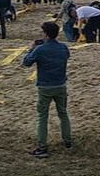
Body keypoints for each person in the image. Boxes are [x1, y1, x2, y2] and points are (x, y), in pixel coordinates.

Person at [23, 22, 72, 158]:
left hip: (45, 86)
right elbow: (66, 57)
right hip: (61, 84)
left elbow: (26, 63)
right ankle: (67, 140)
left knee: (42, 116)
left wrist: (31, 49)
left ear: (45, 34)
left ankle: (42, 147)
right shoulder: (63, 47)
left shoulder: (40, 49)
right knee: (63, 113)